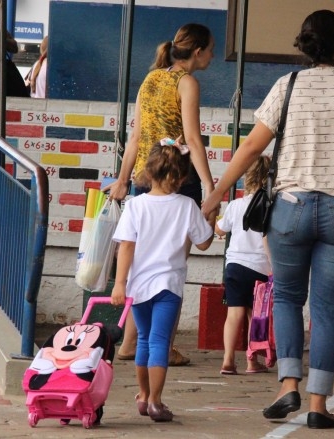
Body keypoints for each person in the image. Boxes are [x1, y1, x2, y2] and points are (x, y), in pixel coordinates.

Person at [201, 10, 334, 429]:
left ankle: (287, 383)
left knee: (288, 297)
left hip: (289, 209)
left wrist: (218, 192)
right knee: (327, 307)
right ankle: (317, 405)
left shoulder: (286, 86)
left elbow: (254, 146)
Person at [105, 23, 216, 367]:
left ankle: (130, 342)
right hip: (178, 180)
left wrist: (123, 180)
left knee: (144, 263)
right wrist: (211, 186)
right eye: (211, 49)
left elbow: (135, 137)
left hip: (144, 178)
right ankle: (162, 345)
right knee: (172, 266)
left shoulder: (151, 79)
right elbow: (193, 140)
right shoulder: (187, 82)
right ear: (197, 51)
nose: (212, 55)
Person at [110, 138, 216, 423]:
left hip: (138, 285)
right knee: (159, 341)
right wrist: (210, 214)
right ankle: (157, 400)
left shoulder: (135, 206)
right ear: (182, 176)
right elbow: (204, 243)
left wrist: (120, 284)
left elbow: (126, 247)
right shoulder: (187, 206)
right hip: (169, 286)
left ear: (148, 172)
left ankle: (144, 396)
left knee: (143, 339)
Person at [215, 155, 272, 375]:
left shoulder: (235, 205)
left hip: (235, 266)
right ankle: (251, 361)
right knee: (254, 316)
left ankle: (228, 360)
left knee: (234, 314)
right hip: (260, 268)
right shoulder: (271, 207)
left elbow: (220, 230)